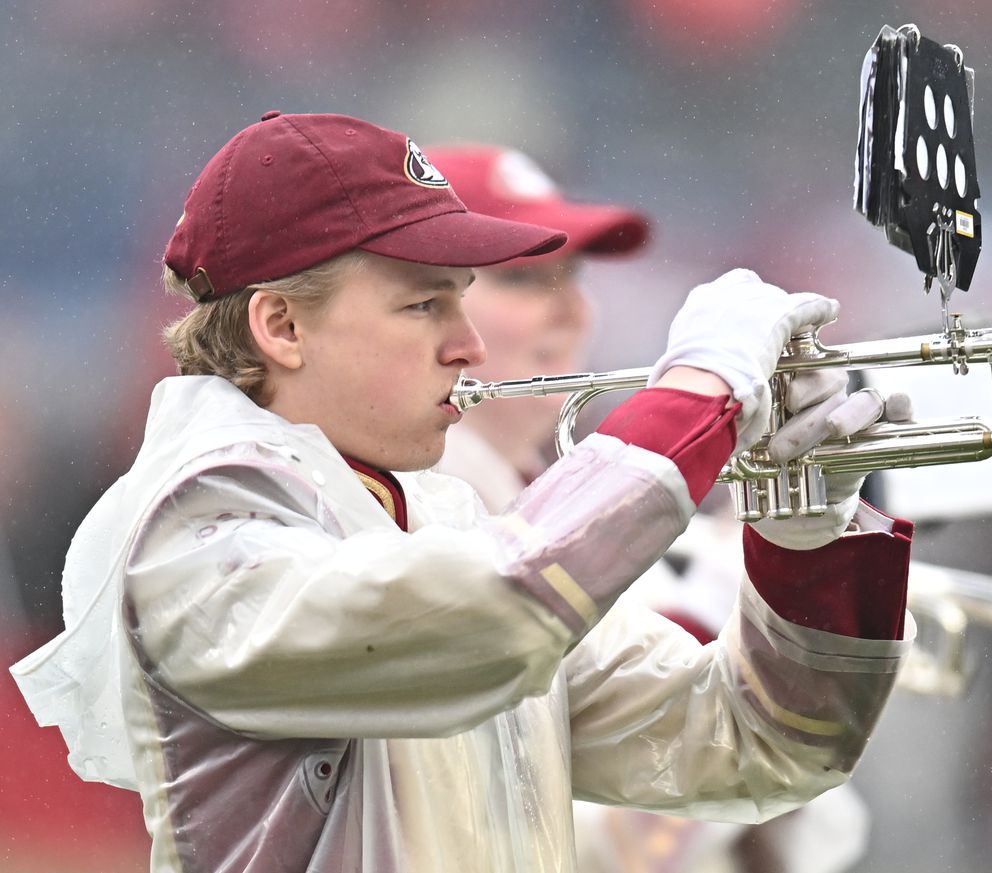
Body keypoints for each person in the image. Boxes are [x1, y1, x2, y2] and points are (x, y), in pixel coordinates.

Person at [9, 112, 915, 873]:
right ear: (280, 324)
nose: (469, 342)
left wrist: (807, 536)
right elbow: (496, 608)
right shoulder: (199, 526)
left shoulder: (434, 516)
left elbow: (762, 743)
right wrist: (699, 393)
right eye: (423, 305)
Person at [426, 143, 885, 873]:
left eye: (573, 272)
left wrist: (804, 565)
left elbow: (787, 788)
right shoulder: (403, 527)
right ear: (417, 310)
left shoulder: (559, 514)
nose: (573, 309)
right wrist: (709, 614)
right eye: (522, 276)